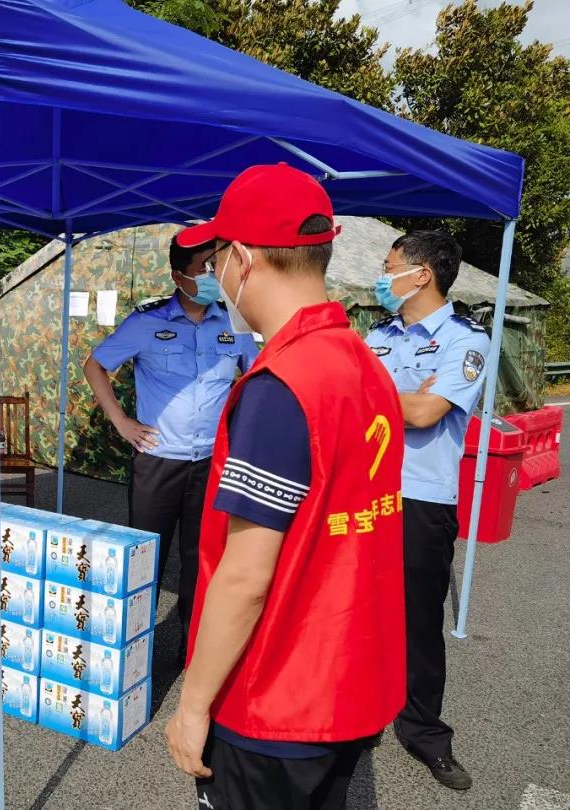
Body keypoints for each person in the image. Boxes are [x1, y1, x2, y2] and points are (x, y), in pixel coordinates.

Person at [163, 163, 406, 810]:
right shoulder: (363, 362)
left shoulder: (282, 386)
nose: (215, 275)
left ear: (242, 259)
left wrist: (193, 704)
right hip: (350, 679)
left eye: (216, 258)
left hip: (275, 697)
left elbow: (246, 576)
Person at [83, 233, 258, 663]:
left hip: (210, 464)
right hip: (158, 462)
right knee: (146, 558)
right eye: (203, 269)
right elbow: (95, 365)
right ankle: (132, 653)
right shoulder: (146, 323)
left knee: (202, 560)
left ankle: (193, 649)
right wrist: (121, 422)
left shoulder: (234, 324)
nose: (212, 276)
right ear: (178, 276)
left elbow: (258, 377)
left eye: (216, 267)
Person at [365, 230, 489, 791]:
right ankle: (364, 713)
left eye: (389, 266)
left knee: (417, 622)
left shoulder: (467, 340)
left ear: (421, 275)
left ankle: (424, 733)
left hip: (421, 498)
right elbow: (357, 397)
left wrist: (375, 395)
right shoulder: (376, 335)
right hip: (366, 494)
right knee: (362, 611)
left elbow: (424, 414)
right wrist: (404, 396)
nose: (381, 276)